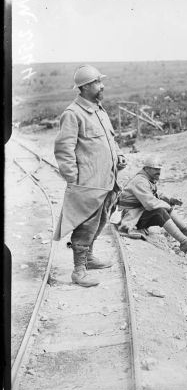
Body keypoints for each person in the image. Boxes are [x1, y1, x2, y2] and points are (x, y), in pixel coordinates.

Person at [54, 65, 126, 287]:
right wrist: (74, 180)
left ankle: (90, 258)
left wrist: (119, 156)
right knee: (85, 225)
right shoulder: (73, 114)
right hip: (88, 184)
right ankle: (78, 271)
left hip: (107, 181)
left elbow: (110, 140)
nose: (101, 85)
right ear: (84, 87)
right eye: (97, 82)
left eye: (100, 82)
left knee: (101, 220)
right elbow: (64, 150)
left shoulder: (99, 110)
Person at [118, 156, 187, 252]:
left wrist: (170, 200)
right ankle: (185, 242)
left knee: (162, 207)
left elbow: (155, 194)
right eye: (155, 169)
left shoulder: (147, 179)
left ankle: (184, 229)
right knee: (159, 212)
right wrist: (167, 206)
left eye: (159, 169)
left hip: (138, 213)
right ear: (146, 169)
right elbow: (150, 204)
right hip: (132, 218)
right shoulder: (140, 181)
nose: (158, 172)